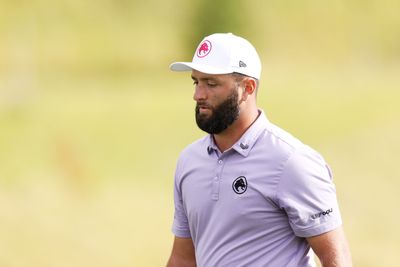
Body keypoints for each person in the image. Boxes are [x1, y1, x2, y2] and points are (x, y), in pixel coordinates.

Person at [166, 33, 352, 267]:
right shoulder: (189, 161)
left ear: (247, 88)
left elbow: (336, 257)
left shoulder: (291, 161)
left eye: (211, 84)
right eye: (196, 82)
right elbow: (183, 258)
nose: (198, 95)